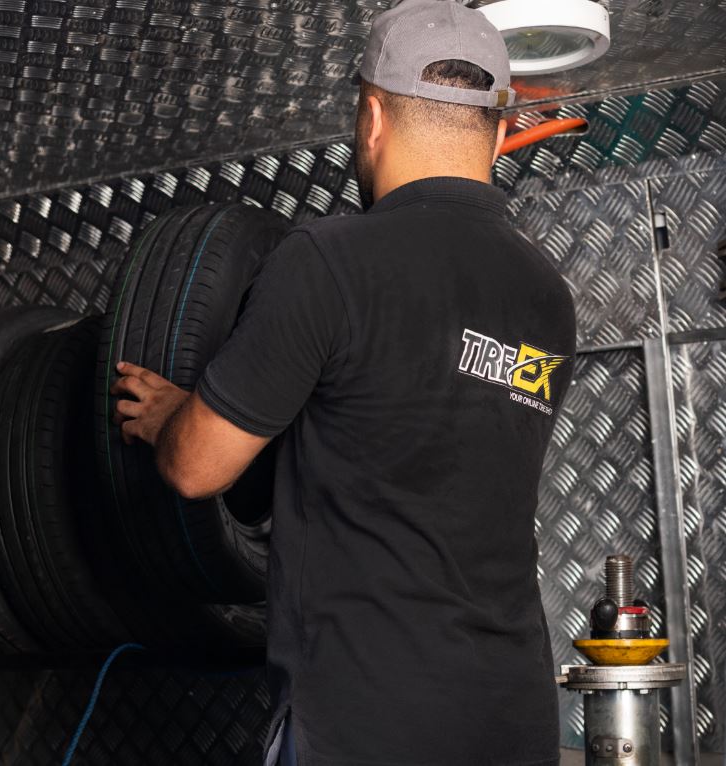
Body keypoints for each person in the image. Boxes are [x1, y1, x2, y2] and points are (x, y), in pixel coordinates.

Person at [110, 1, 577, 763]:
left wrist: (174, 417)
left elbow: (196, 468)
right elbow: (408, 437)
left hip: (367, 717)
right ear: (498, 133)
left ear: (372, 118)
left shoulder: (327, 260)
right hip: (512, 718)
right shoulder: (547, 293)